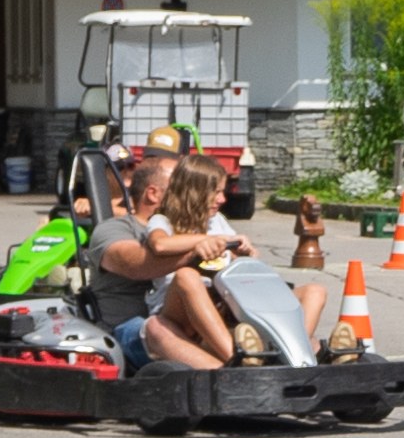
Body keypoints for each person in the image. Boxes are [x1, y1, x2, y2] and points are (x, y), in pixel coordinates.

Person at [95, 155, 311, 372]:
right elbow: (137, 266)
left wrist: (243, 257)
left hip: (206, 310)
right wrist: (199, 248)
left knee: (311, 291)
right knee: (160, 321)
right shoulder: (116, 229)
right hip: (138, 326)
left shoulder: (213, 223)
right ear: (154, 193)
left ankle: (300, 360)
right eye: (181, 182)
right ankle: (236, 370)